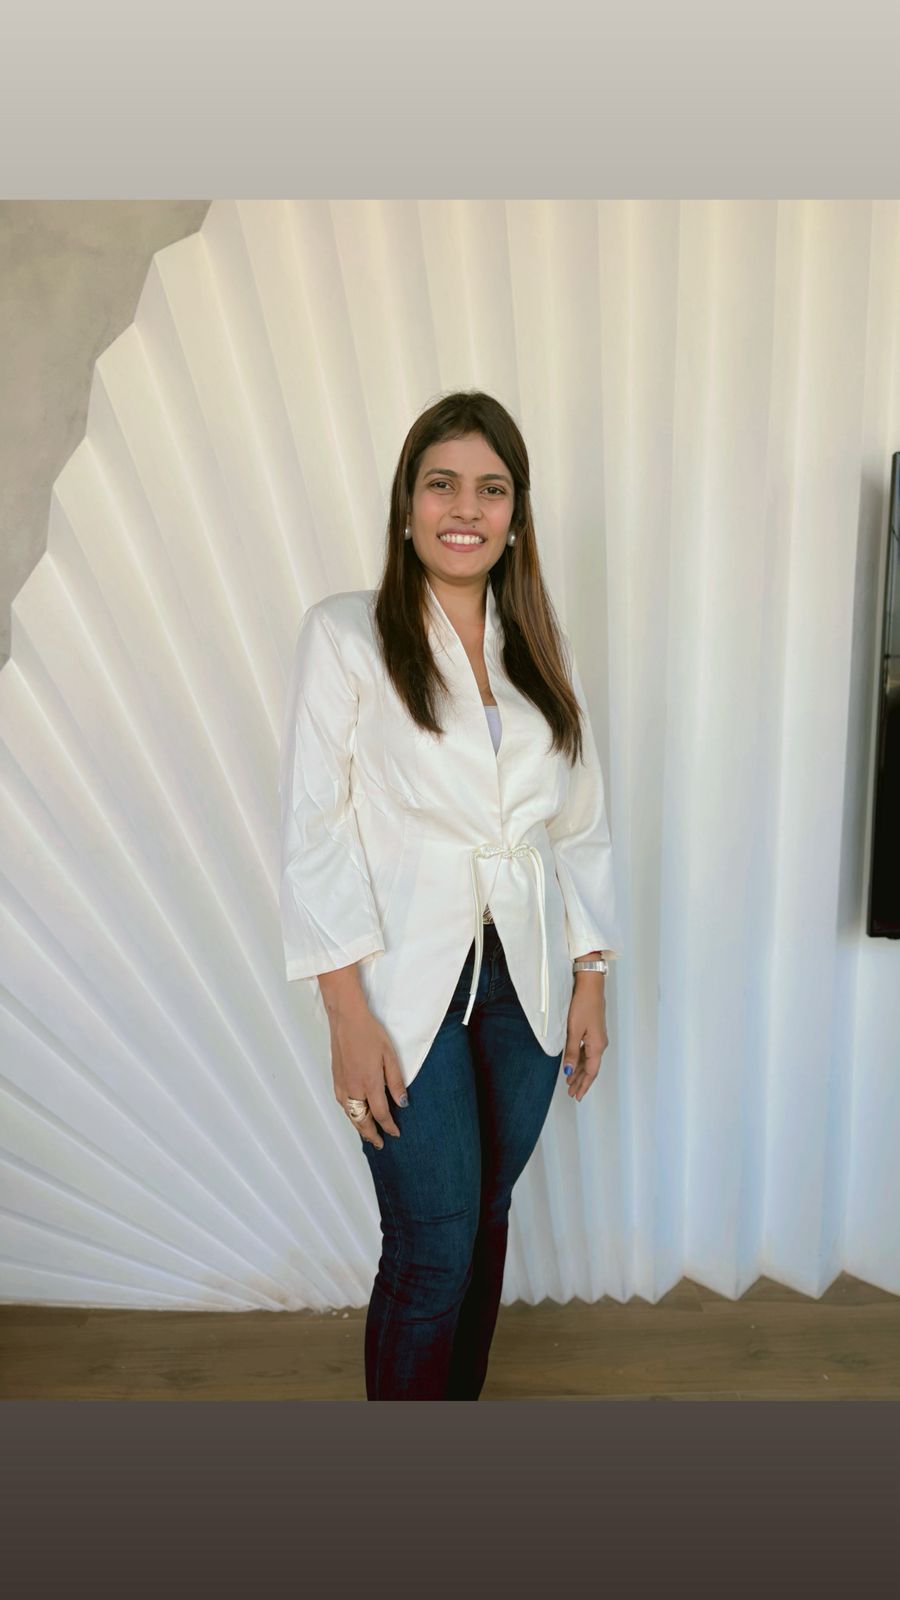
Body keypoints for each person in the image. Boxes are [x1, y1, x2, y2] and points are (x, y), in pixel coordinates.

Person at [279, 390, 619, 1400]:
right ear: (407, 503)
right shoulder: (347, 635)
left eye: (491, 487)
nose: (464, 507)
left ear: (516, 517)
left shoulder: (539, 652)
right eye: (442, 483)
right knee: (431, 1242)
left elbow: (581, 823)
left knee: (485, 1217)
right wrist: (344, 1010)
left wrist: (590, 974)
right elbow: (313, 828)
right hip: (400, 978)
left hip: (528, 980)